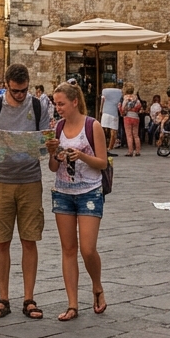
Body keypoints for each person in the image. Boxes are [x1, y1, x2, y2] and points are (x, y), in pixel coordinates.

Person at [0, 63, 53, 320]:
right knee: (1, 240)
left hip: (31, 179)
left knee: (29, 240)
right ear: (6, 85)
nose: (20, 95)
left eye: (24, 90)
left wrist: (47, 144)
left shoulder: (39, 106)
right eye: (15, 91)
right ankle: (3, 298)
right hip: (1, 180)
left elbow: (45, 139)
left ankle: (29, 298)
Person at [47, 82, 109, 321]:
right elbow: (53, 167)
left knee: (87, 248)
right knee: (68, 249)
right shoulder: (58, 128)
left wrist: (81, 155)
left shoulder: (92, 126)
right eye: (55, 103)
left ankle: (97, 286)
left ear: (74, 102)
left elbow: (103, 163)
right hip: (63, 192)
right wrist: (54, 153)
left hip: (89, 192)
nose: (58, 108)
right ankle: (72, 303)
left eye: (61, 103)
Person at [99, 83, 123, 155]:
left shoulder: (105, 92)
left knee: (103, 130)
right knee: (113, 131)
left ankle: (102, 146)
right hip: (114, 113)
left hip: (105, 112)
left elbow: (102, 101)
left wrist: (101, 110)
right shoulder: (119, 92)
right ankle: (110, 147)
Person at [119, 84, 142, 157]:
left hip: (128, 117)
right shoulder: (136, 98)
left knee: (129, 135)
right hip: (136, 117)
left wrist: (122, 111)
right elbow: (139, 107)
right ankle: (138, 151)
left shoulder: (125, 97)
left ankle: (130, 151)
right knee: (136, 135)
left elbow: (123, 107)